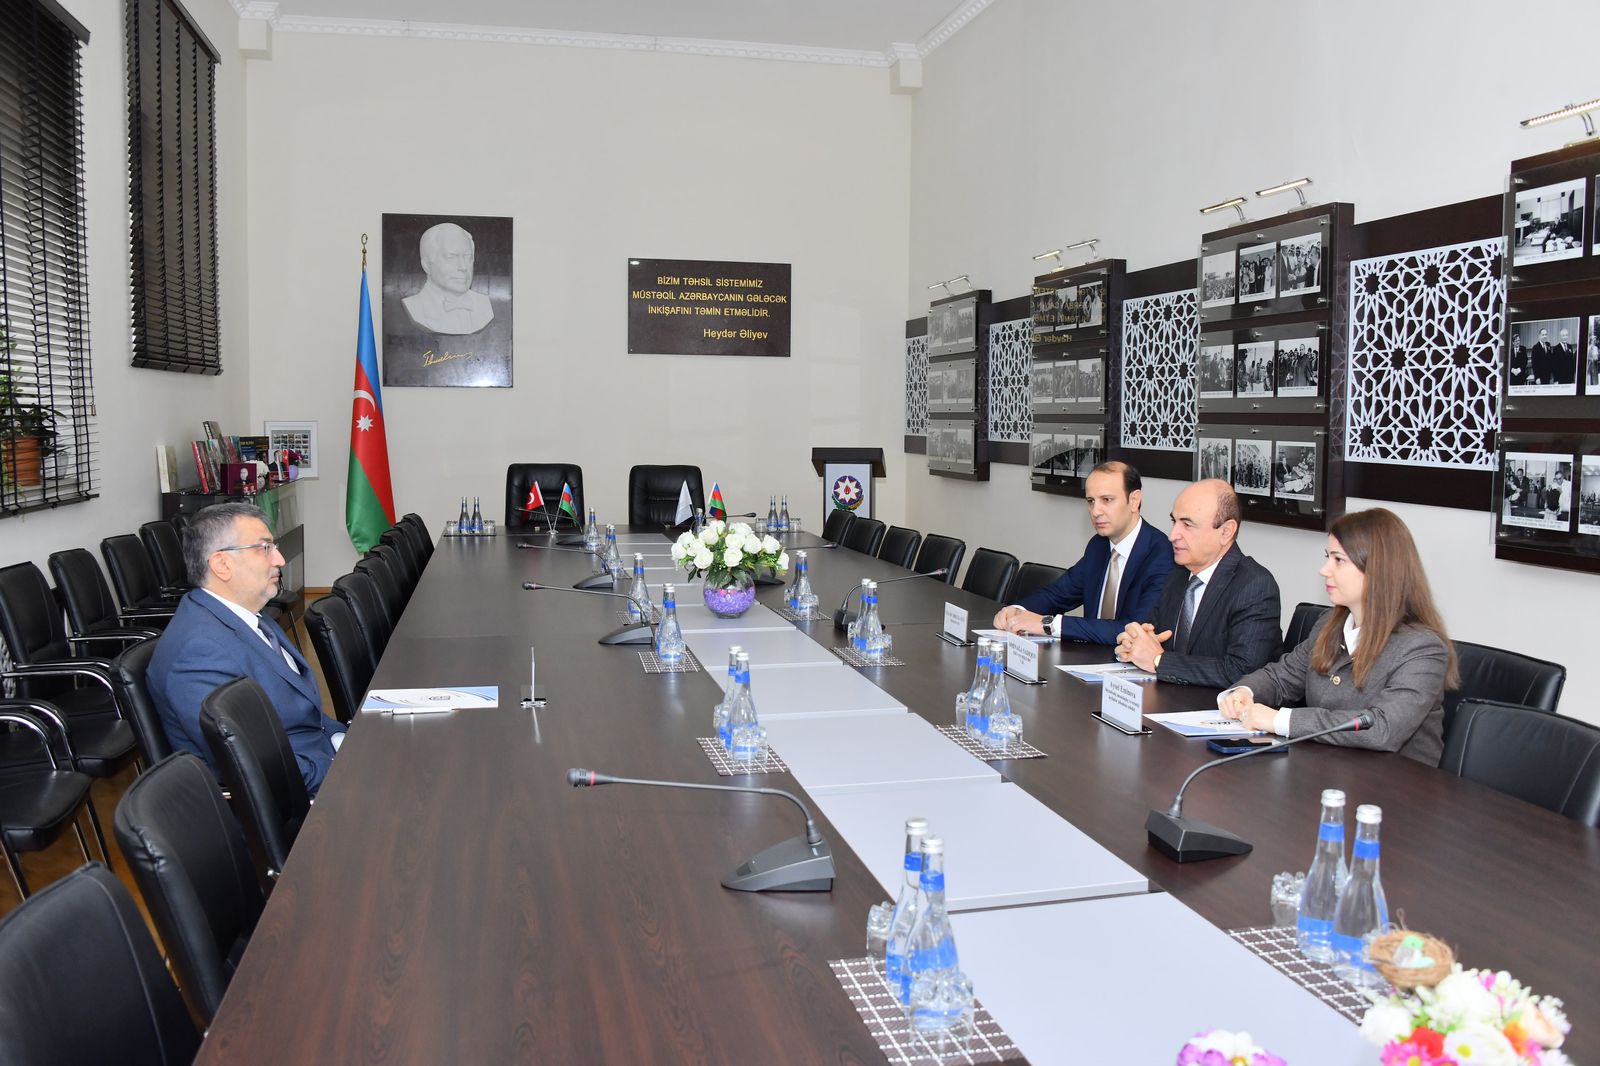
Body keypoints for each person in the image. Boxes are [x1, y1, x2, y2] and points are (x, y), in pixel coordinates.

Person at [1216, 508, 1458, 764]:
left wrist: (1280, 720)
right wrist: (1244, 692)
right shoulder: (1329, 624)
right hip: (1330, 767)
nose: (1324, 570)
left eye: (1338, 560)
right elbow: (1281, 677)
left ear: (1377, 570)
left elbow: (1382, 729)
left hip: (1396, 782)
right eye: (1327, 557)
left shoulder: (1422, 649)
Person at [149, 502, 346, 795]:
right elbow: (261, 768)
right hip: (305, 795)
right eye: (264, 548)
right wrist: (344, 767)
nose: (279, 559)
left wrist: (346, 740)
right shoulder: (198, 652)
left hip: (322, 756)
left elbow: (306, 717)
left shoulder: (248, 614)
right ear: (222, 564)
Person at [1115, 479, 1280, 686]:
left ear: (1226, 531)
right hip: (1171, 697)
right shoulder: (1177, 574)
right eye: (1174, 522)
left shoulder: (1254, 585)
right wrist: (1134, 644)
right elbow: (1153, 635)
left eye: (1187, 525)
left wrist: (1158, 660)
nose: (1172, 535)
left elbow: (1241, 671)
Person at [993, 462, 1174, 643]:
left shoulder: (1161, 554)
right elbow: (1058, 594)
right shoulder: (1099, 545)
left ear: (1134, 500)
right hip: (1088, 655)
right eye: (1091, 501)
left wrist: (1048, 624)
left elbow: (1134, 630)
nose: (1095, 511)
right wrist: (1017, 611)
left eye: (1107, 500)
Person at [402, 221, 495, 335]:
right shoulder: (415, 307)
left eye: (468, 257)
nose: (463, 267)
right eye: (450, 257)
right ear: (427, 265)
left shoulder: (484, 304)